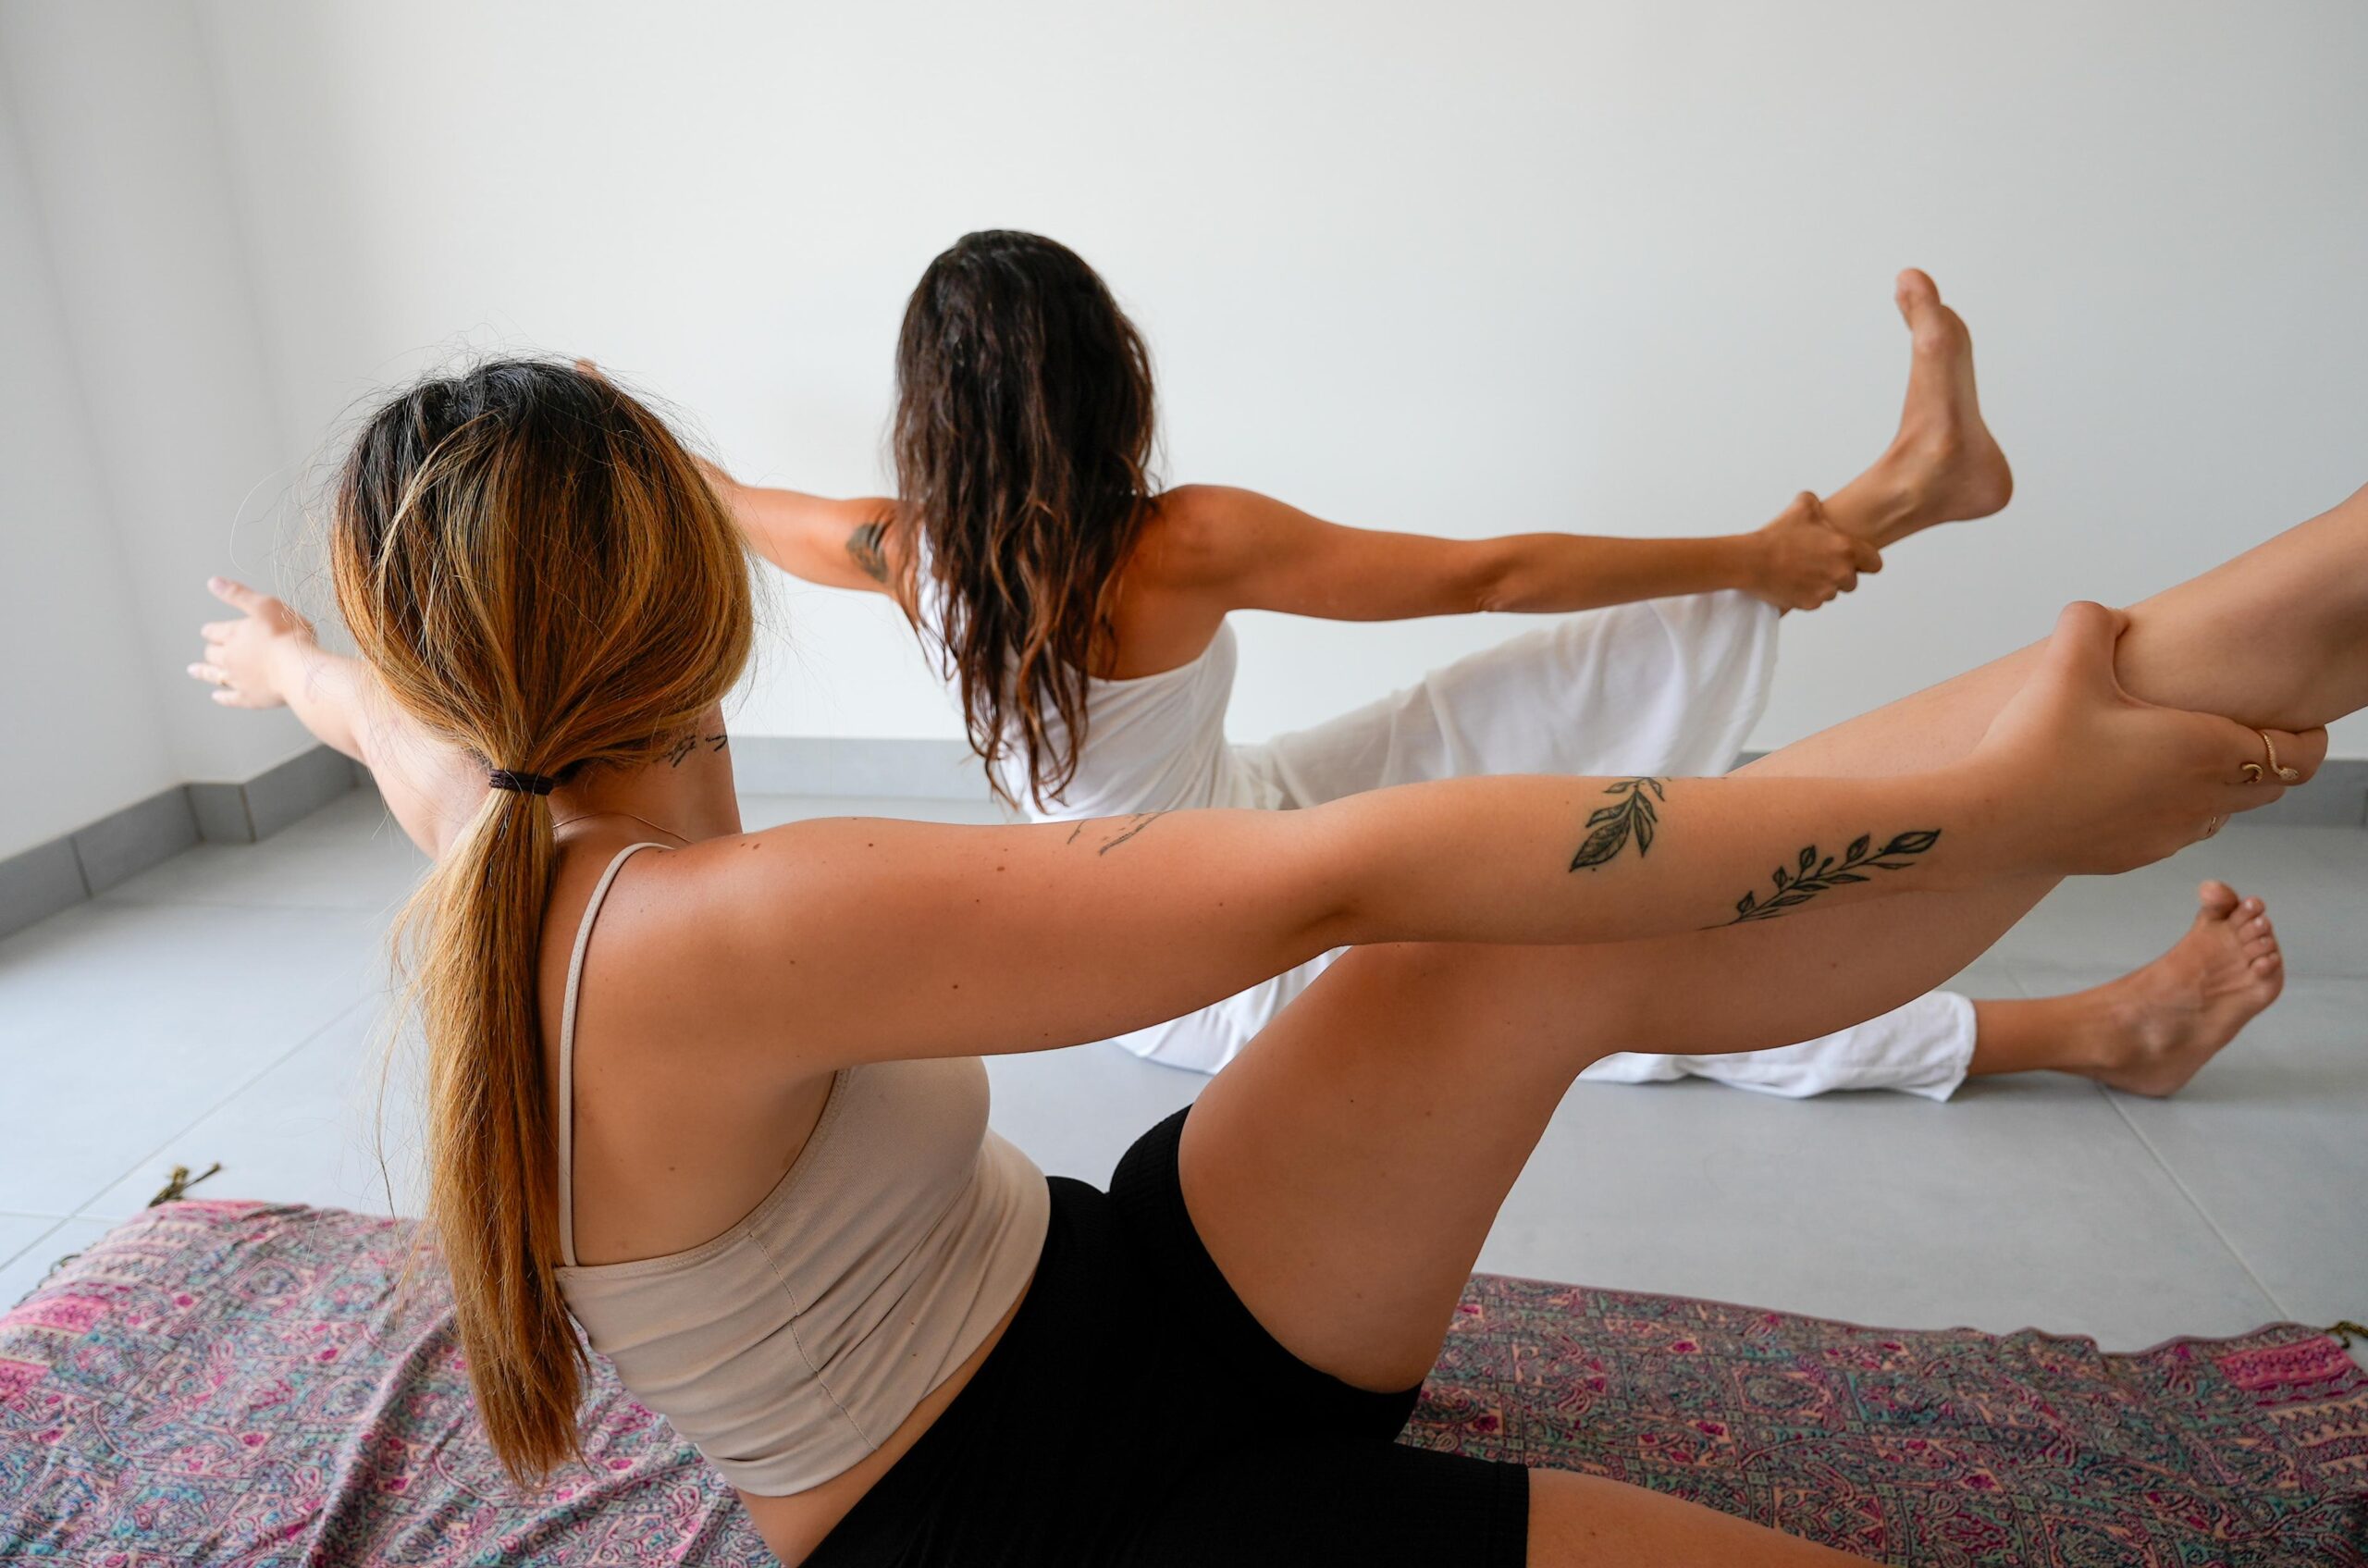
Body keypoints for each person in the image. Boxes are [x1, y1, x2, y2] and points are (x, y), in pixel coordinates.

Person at [189, 357, 2341, 1565]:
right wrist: (1994, 815)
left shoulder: (493, 835)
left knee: (1485, 954)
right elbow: (1345, 869)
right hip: (1030, 1540)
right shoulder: (716, 927)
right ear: (696, 601)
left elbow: (398, 747)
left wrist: (297, 673)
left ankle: (2268, 616)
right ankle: (2042, 777)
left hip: (1107, 1308)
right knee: (1441, 904)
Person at [710, 234, 2284, 1093]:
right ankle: (2090, 1035)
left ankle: (1906, 490)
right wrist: (1740, 551)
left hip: (1236, 825)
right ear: (1102, 380)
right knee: (1609, 969)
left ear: (935, 417)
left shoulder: (901, 548)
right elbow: (1489, 573)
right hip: (1200, 956)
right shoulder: (1177, 540)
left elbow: (739, 506)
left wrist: (628, 439)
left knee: (1505, 711)